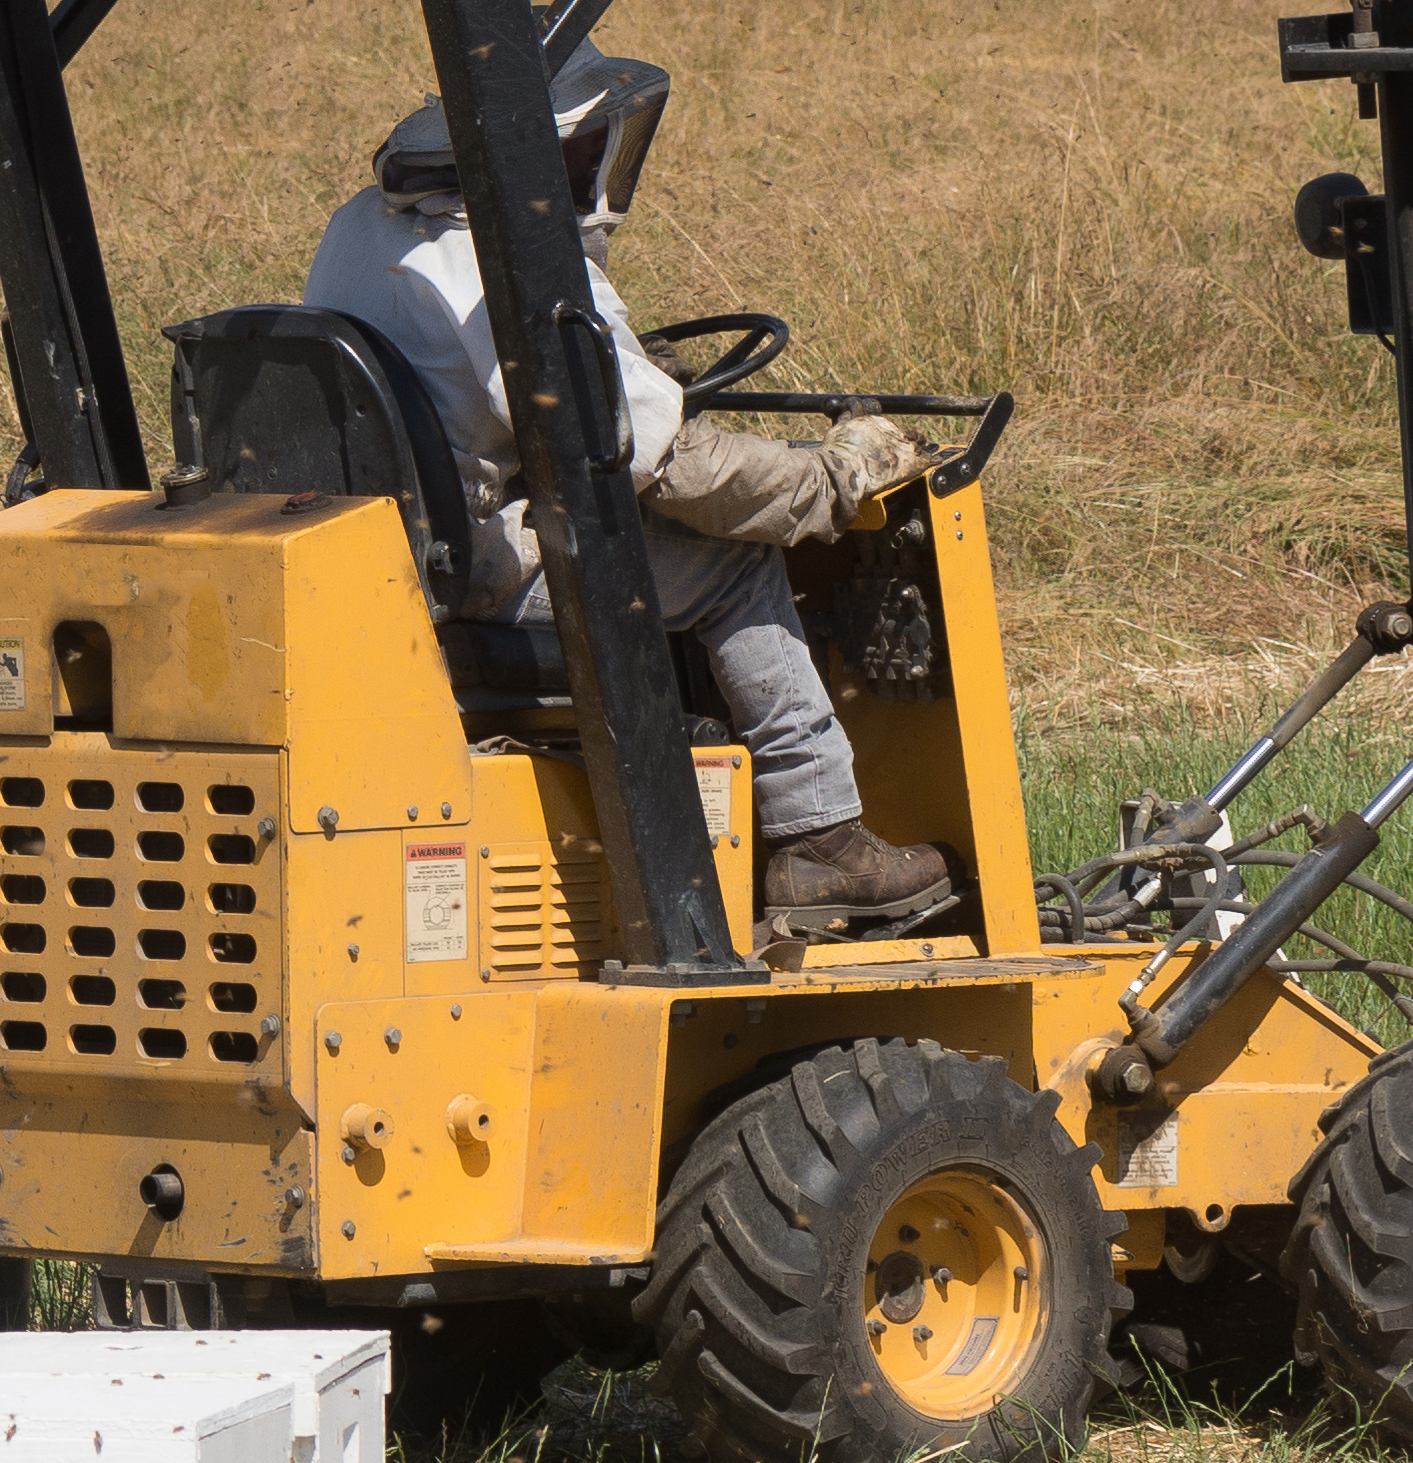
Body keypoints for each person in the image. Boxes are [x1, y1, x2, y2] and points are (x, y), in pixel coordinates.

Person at [298, 50, 956, 934]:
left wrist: (636, 369)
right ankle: (822, 838)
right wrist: (832, 477)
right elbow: (668, 463)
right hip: (477, 570)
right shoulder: (512, 263)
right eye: (594, 143)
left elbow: (488, 399)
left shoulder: (360, 229)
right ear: (548, 146)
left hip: (385, 554)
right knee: (735, 561)